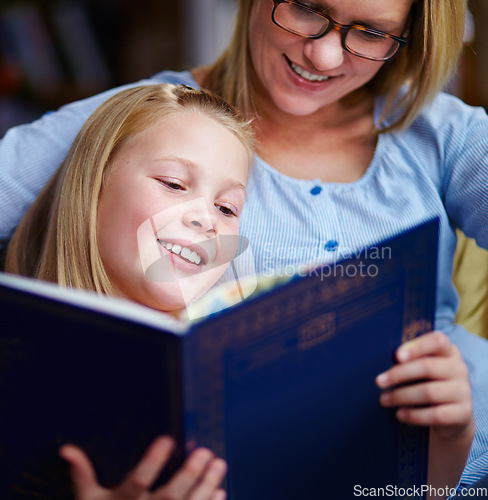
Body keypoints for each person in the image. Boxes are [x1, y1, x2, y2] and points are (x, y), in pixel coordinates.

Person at [1, 0, 488, 497]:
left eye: (370, 32)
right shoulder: (139, 120)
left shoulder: (445, 134)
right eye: (304, 7)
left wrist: (460, 406)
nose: (322, 55)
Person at [5, 82, 254, 500]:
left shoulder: (242, 376)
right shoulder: (16, 371)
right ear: (93, 184)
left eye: (227, 208)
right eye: (174, 184)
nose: (205, 220)